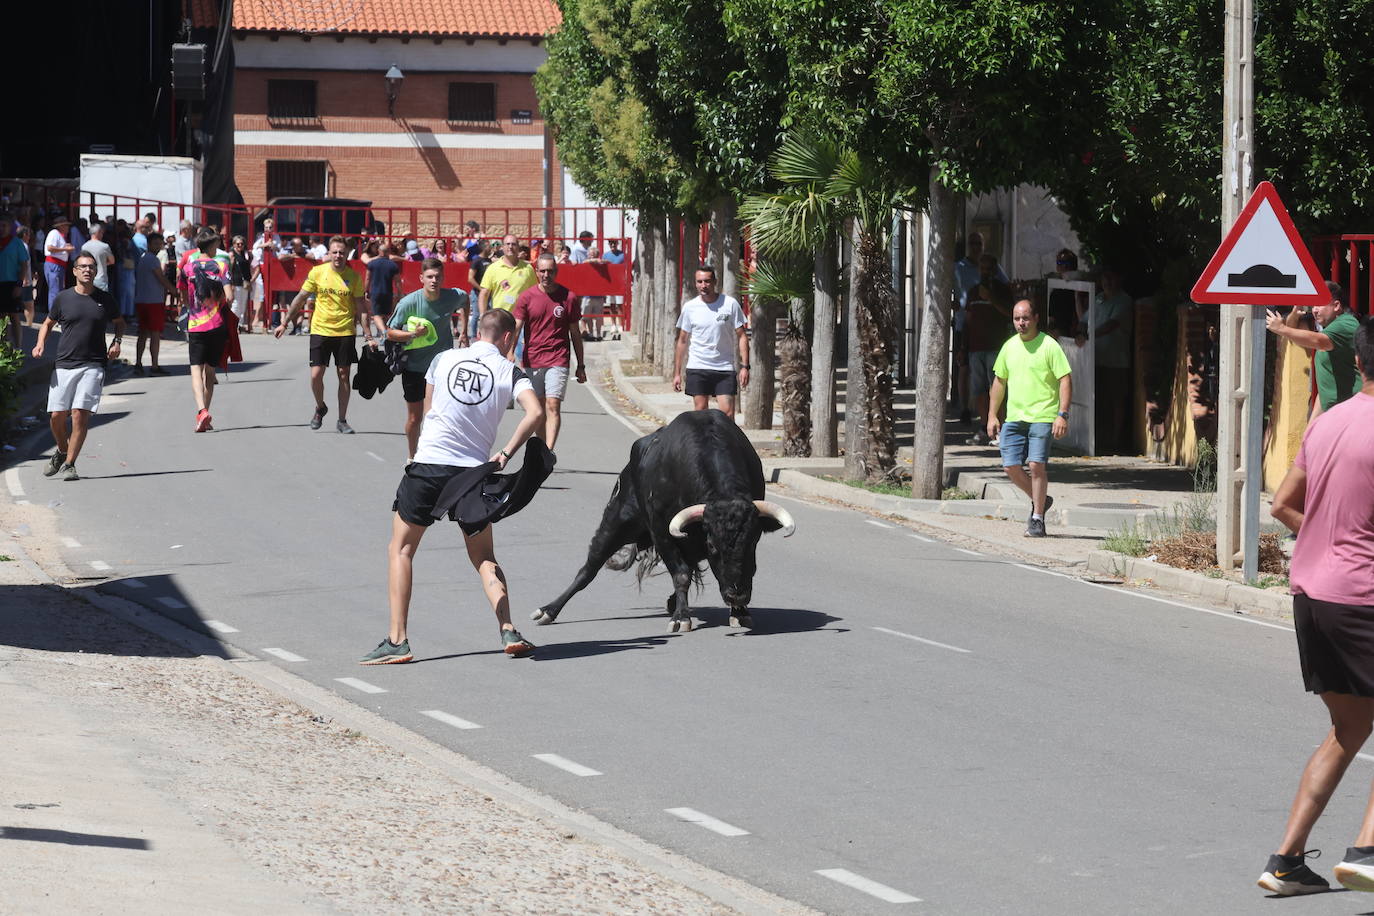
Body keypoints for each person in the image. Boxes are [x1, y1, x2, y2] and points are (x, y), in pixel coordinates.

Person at [359, 308, 543, 665]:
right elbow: (535, 413)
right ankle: (507, 628)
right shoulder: (510, 371)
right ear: (507, 337)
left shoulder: (444, 359)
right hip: (473, 474)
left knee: (401, 549)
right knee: (484, 556)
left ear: (479, 330)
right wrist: (505, 453)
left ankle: (398, 640)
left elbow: (429, 411)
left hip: (429, 465)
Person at [1260, 322, 1374, 897]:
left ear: (1357, 365)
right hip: (1363, 598)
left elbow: (1282, 503)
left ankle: (1285, 861)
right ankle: (1368, 851)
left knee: (1349, 726)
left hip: (1313, 595)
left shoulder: (1327, 422)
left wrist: (1327, 543)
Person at [31, 252, 125, 481]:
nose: (87, 270)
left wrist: (117, 341)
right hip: (64, 362)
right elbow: (47, 323)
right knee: (56, 415)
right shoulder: (63, 298)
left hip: (93, 363)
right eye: (82, 266)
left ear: (96, 271)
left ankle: (70, 464)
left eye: (91, 267)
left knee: (79, 414)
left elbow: (119, 323)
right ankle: (62, 451)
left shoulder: (105, 299)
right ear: (74, 271)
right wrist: (40, 343)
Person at [986, 299, 1072, 538]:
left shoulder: (1049, 346)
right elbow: (999, 382)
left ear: (1035, 319)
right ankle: (1041, 500)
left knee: (1036, 465)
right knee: (1010, 466)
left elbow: (1065, 379)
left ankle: (1037, 518)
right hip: (1015, 417)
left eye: (1025, 318)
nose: (1021, 323)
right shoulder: (1009, 347)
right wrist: (992, 415)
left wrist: (1062, 414)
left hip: (1043, 416)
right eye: (1016, 319)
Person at [276, 235, 377, 433]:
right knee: (316, 376)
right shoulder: (317, 272)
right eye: (335, 252)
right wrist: (285, 322)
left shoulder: (354, 277)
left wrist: (368, 335)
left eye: (342, 252)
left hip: (345, 331)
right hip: (320, 330)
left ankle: (342, 420)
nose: (338, 255)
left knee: (343, 375)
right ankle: (320, 407)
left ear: (347, 254)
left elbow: (361, 308)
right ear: (329, 253)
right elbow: (300, 297)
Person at [386, 257, 467, 458]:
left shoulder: (452, 296)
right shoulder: (409, 302)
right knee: (415, 418)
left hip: (442, 368)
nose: (434, 281)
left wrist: (463, 331)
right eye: (429, 277)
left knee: (439, 416)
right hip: (414, 367)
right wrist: (413, 335)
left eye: (438, 277)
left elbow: (465, 300)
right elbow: (390, 333)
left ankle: (434, 456)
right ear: (421, 277)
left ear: (443, 278)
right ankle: (413, 457)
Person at [513, 255, 585, 450]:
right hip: (532, 359)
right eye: (542, 271)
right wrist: (509, 352)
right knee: (538, 410)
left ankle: (549, 451)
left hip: (558, 358)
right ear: (536, 272)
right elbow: (517, 327)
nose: (546, 275)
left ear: (556, 272)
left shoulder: (568, 297)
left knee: (553, 405)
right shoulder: (526, 297)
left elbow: (575, 333)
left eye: (550, 271)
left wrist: (580, 365)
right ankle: (544, 447)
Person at [1265, 281, 1360, 420]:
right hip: (1334, 412)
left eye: (1320, 304)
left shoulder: (1346, 324)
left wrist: (1281, 329)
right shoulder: (1327, 327)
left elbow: (1318, 340)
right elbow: (1326, 387)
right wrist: (1313, 424)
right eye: (1313, 305)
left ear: (1336, 306)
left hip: (1352, 412)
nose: (1315, 310)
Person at [672, 265, 749, 419]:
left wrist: (745, 366)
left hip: (724, 367)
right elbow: (682, 340)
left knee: (727, 414)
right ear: (695, 283)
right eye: (699, 281)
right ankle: (702, 444)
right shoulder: (690, 307)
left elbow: (742, 336)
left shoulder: (730, 304)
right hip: (698, 366)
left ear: (715, 282)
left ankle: (726, 444)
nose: (703, 285)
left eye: (707, 281)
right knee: (700, 411)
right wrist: (677, 373)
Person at [952, 232, 1006, 425]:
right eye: (972, 243)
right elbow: (965, 316)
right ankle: (972, 414)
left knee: (996, 384)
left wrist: (992, 297)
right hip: (969, 334)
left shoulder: (998, 282)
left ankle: (997, 423)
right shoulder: (958, 269)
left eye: (979, 243)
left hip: (994, 341)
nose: (975, 246)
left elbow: (1008, 306)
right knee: (971, 377)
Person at [962, 252, 1013, 445]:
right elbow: (967, 321)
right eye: (982, 269)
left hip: (996, 347)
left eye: (989, 268)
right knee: (979, 390)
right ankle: (984, 427)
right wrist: (963, 347)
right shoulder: (973, 291)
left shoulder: (1003, 290)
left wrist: (991, 298)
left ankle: (1000, 429)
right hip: (976, 348)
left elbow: (1010, 313)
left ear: (995, 270)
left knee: (997, 389)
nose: (986, 272)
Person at [1084, 267, 1134, 453]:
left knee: (1116, 400)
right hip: (1095, 360)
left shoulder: (1124, 300)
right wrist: (1080, 333)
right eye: (1104, 278)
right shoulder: (1097, 299)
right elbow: (1084, 319)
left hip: (1117, 361)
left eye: (1111, 278)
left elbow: (1112, 325)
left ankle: (1116, 440)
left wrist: (1090, 335)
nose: (1107, 282)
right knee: (1100, 400)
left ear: (1119, 279)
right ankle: (1100, 438)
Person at [184, 258, 232, 432]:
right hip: (217, 326)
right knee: (210, 372)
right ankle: (205, 413)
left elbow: (183, 297)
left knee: (196, 371)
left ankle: (202, 411)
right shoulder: (220, 266)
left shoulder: (187, 268)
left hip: (196, 326)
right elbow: (230, 296)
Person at [133, 232, 178, 375]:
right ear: (149, 244)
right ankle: (154, 365)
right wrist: (174, 290)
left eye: (160, 243)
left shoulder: (142, 258)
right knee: (155, 334)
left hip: (141, 300)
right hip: (153, 301)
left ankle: (138, 363)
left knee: (143, 333)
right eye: (156, 243)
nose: (159, 246)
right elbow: (161, 278)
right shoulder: (153, 259)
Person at [0, 215, 30, 349]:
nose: (1, 229)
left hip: (12, 284)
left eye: (4, 226)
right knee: (1, 318)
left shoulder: (16, 242)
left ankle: (18, 347)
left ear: (10, 227)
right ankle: (4, 346)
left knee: (14, 316)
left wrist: (19, 284)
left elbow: (24, 265)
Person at [43, 214, 74, 311]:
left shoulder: (60, 235)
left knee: (58, 291)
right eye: (66, 225)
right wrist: (65, 248)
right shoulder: (54, 233)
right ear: (60, 226)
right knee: (55, 292)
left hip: (58, 265)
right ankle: (53, 316)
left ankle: (56, 315)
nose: (68, 227)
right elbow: (50, 248)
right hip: (54, 265)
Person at [366, 240, 400, 323]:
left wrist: (366, 290)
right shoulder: (393, 265)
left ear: (379, 251)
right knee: (387, 314)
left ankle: (381, 331)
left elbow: (367, 278)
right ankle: (385, 331)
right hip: (387, 292)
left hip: (375, 292)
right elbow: (397, 281)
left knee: (377, 314)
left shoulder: (372, 264)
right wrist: (400, 292)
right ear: (388, 252)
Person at [226, 235, 253, 332]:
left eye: (242, 244)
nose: (240, 246)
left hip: (244, 282)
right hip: (235, 282)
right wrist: (230, 283)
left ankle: (240, 324)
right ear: (233, 245)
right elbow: (229, 269)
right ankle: (233, 324)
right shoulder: (231, 254)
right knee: (236, 304)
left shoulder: (245, 254)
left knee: (243, 304)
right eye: (238, 244)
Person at [603, 238, 625, 339]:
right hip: (609, 283)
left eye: (614, 243)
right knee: (611, 305)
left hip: (619, 283)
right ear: (609, 244)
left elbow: (626, 267)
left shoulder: (622, 255)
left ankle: (621, 325)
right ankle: (613, 325)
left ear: (617, 244)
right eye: (611, 243)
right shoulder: (605, 255)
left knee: (620, 305)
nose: (613, 245)